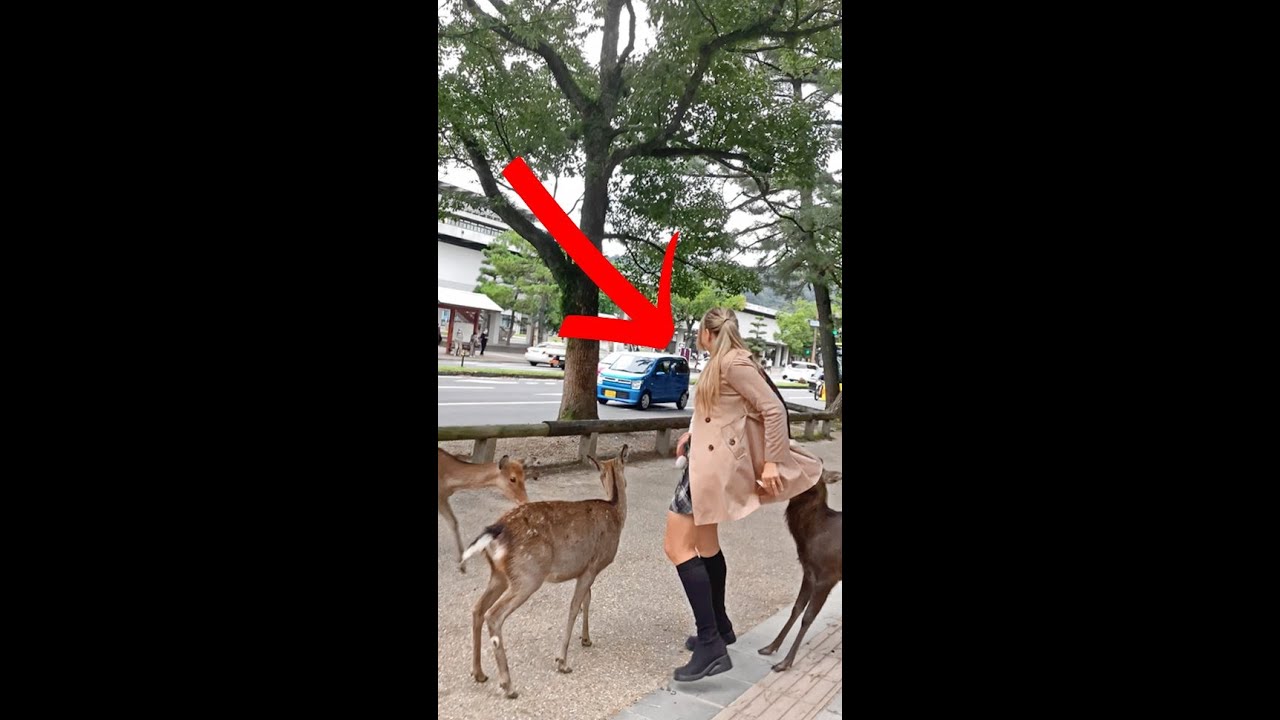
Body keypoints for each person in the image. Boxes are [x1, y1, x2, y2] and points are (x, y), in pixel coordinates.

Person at [665, 307, 824, 682]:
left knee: (675, 547)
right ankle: (720, 627)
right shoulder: (725, 359)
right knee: (705, 545)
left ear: (707, 332)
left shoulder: (734, 363)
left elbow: (773, 409)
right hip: (706, 461)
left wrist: (772, 462)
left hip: (709, 469)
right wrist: (692, 434)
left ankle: (710, 646)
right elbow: (719, 414)